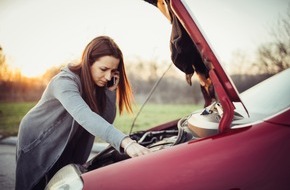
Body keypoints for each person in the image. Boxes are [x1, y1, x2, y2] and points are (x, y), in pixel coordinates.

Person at [15, 36, 151, 190]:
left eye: (113, 71)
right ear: (88, 62)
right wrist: (126, 143)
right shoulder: (64, 82)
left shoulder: (98, 85)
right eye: (104, 69)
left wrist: (110, 92)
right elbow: (85, 117)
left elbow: (105, 120)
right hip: (39, 139)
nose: (108, 77)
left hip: (67, 141)